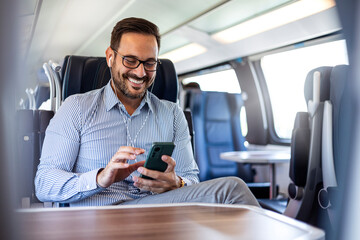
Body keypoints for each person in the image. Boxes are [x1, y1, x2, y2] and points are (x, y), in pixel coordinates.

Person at [35, 17, 259, 207]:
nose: (141, 72)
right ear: (110, 57)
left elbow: (191, 178)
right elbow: (44, 183)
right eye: (130, 60)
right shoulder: (76, 108)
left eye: (150, 63)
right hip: (100, 215)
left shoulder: (171, 113)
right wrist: (100, 178)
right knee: (233, 190)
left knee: (232, 192)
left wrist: (177, 183)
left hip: (156, 211)